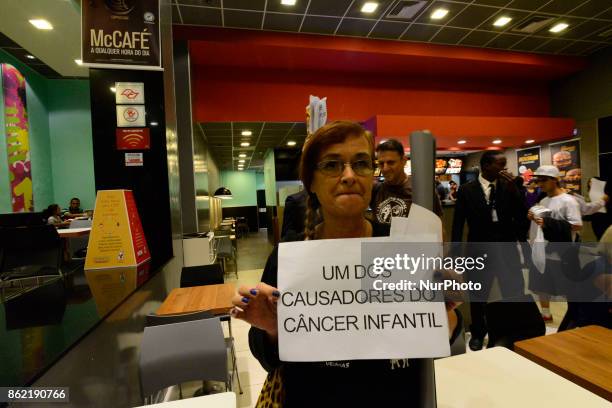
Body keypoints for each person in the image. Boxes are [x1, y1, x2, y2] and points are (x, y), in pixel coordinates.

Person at [231, 121, 462, 406]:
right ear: (311, 182)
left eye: (362, 163)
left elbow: (439, 337)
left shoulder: (401, 247)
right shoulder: (289, 256)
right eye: (332, 165)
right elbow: (268, 357)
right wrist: (273, 328)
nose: (349, 176)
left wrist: (446, 313)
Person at [451, 150, 527, 350]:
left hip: (506, 248)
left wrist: (516, 191)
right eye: (500, 165)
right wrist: (455, 253)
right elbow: (458, 223)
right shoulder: (467, 190)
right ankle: (478, 333)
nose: (504, 169)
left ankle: (509, 332)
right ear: (485, 166)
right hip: (478, 249)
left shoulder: (509, 188)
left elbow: (521, 217)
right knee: (478, 295)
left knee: (512, 292)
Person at [528, 165, 583, 323]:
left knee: (568, 287)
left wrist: (549, 223)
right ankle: (546, 313)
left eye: (543, 180)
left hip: (563, 252)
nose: (540, 184)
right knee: (541, 284)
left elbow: (577, 225)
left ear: (554, 180)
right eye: (538, 180)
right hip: (543, 250)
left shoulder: (568, 201)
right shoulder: (544, 200)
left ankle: (573, 318)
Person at [370, 139, 442, 225]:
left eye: (391, 163)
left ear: (403, 161)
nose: (385, 168)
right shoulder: (375, 190)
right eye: (381, 163)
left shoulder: (422, 190)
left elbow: (438, 227)